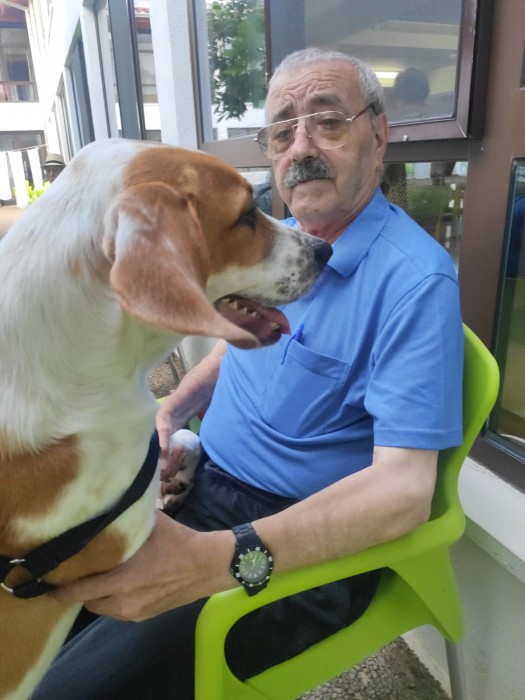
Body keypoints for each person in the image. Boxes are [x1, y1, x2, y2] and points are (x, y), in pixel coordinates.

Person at [35, 48, 463, 699]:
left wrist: (212, 559)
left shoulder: (414, 282)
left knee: (65, 689)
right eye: (282, 130)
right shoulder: (283, 244)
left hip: (299, 549)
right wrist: (172, 413)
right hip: (199, 488)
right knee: (33, 603)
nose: (301, 147)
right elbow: (234, 353)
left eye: (327, 121)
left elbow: (404, 492)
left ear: (378, 135)